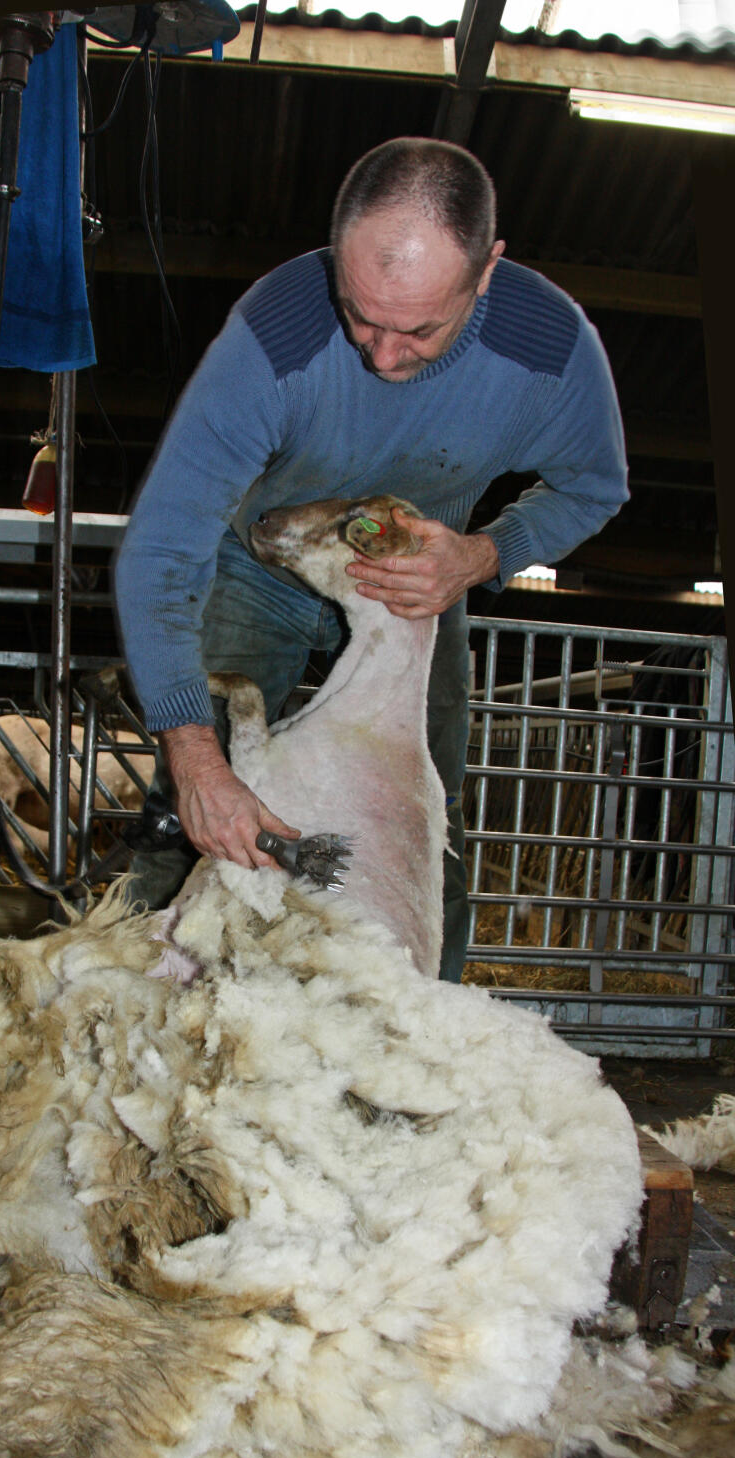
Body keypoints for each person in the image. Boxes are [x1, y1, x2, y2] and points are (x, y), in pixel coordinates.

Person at [112, 136, 628, 981]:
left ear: (487, 270)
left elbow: (594, 488)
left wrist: (485, 553)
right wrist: (195, 760)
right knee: (184, 815)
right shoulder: (275, 331)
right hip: (264, 563)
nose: (381, 357)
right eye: (359, 314)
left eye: (420, 328)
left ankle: (422, 1050)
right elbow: (164, 544)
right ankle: (114, 1035)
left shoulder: (552, 349)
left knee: (431, 828)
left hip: (421, 586)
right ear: (336, 252)